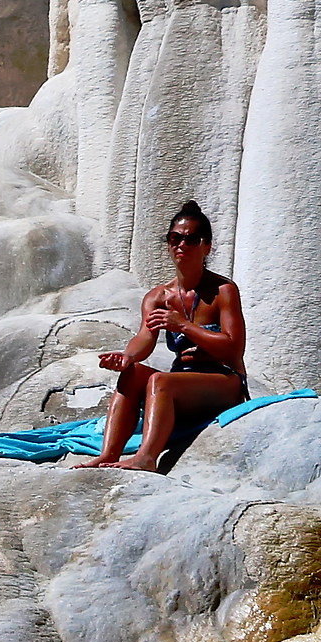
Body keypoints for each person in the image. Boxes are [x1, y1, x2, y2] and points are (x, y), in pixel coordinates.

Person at [74, 201, 248, 470]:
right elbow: (145, 337)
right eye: (174, 239)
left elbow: (234, 349)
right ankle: (108, 454)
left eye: (191, 239)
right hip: (183, 381)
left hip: (224, 381)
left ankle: (146, 458)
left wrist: (184, 326)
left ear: (206, 246)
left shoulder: (223, 291)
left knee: (160, 381)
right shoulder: (158, 296)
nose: (181, 245)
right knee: (132, 373)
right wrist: (127, 356)